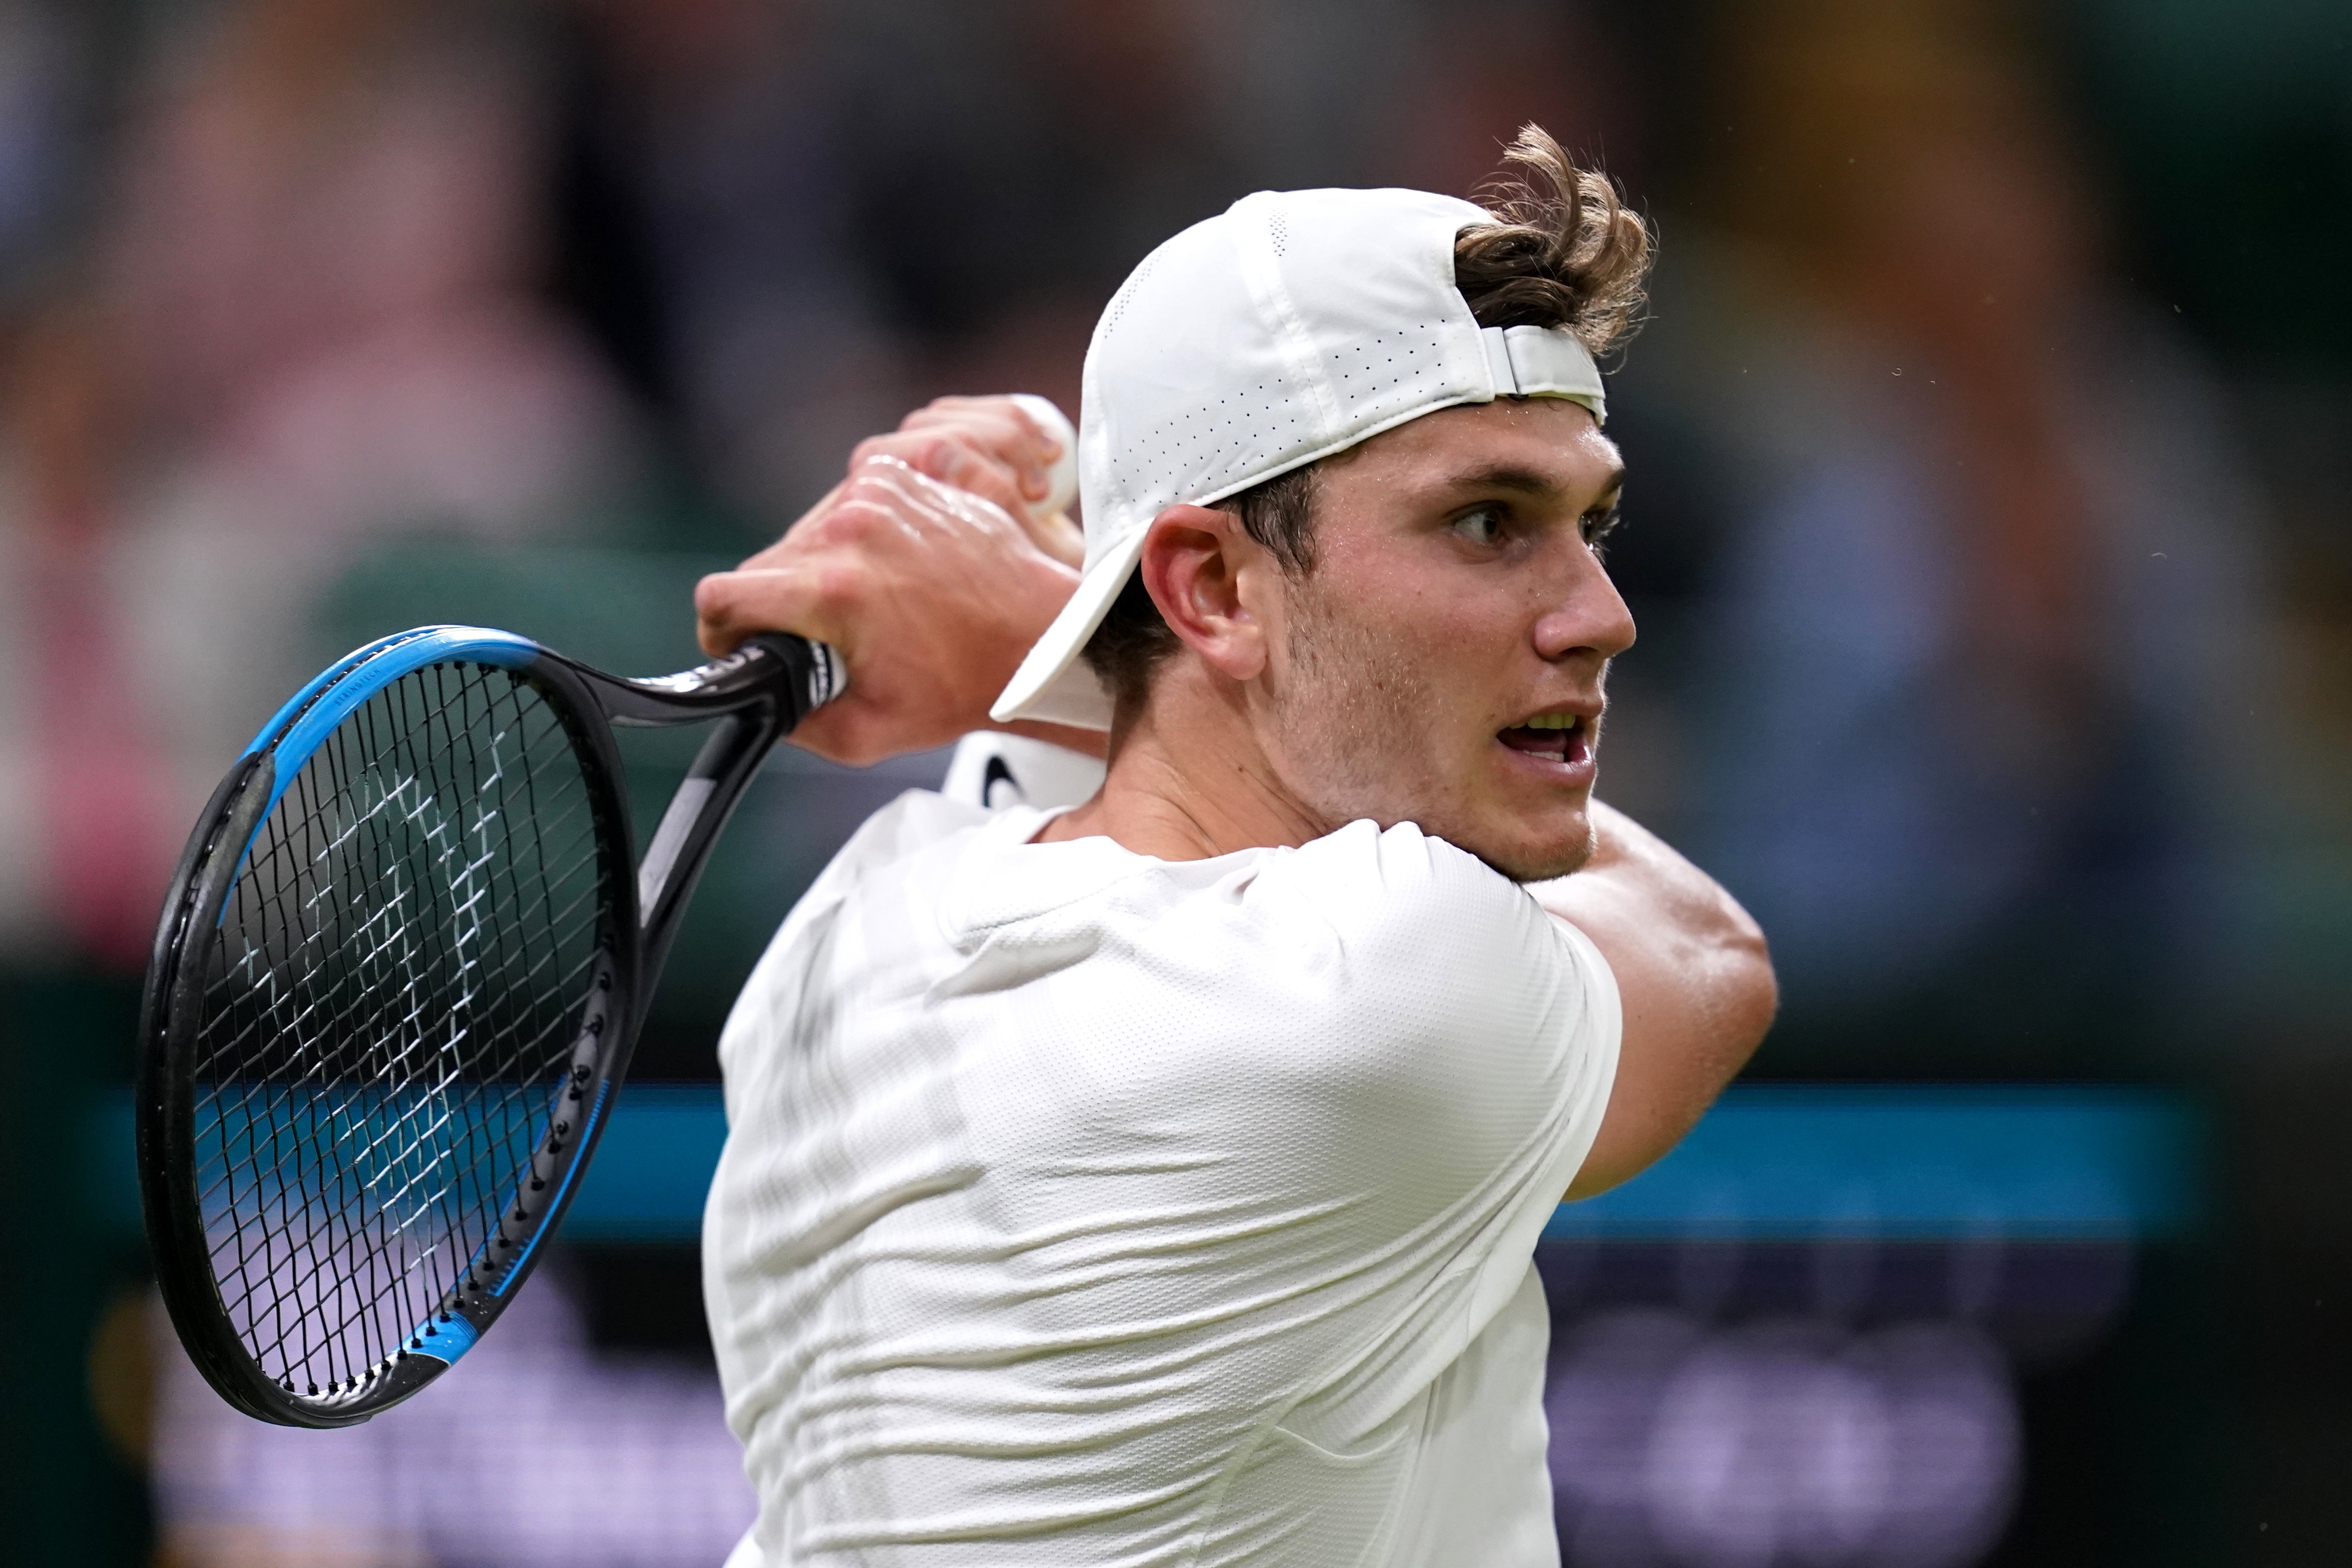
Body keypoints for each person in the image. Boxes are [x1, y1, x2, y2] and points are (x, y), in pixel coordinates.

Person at [691, 127, 1776, 1566]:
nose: (1600, 612)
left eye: (1592, 521)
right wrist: (1040, 619)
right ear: (1208, 584)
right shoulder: (1386, 995)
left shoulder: (854, 928)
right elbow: (1711, 954)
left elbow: (1140, 757)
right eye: (1488, 523)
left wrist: (1107, 645)